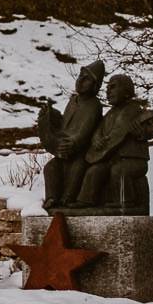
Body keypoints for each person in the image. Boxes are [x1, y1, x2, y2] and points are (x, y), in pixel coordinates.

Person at [73, 74, 153, 214]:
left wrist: (141, 132)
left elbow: (151, 131)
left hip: (134, 161)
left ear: (126, 91)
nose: (108, 91)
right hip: (110, 159)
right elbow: (97, 131)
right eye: (107, 88)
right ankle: (86, 201)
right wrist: (97, 140)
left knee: (119, 171)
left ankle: (125, 202)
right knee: (94, 171)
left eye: (113, 87)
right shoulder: (110, 114)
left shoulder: (135, 110)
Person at [37, 60, 104, 209]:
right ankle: (52, 198)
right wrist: (51, 115)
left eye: (86, 78)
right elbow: (65, 123)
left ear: (95, 85)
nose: (80, 81)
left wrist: (74, 142)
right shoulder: (73, 101)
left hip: (81, 151)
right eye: (80, 76)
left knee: (77, 167)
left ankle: (68, 198)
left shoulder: (94, 105)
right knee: (51, 167)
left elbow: (85, 130)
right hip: (65, 147)